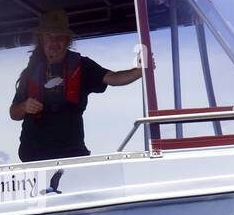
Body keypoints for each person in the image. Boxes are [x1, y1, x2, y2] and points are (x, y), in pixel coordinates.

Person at [9, 9, 146, 162]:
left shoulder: (83, 66)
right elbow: (14, 113)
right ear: (42, 39)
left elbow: (113, 78)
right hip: (33, 159)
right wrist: (24, 106)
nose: (54, 42)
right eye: (49, 36)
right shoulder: (30, 71)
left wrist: (140, 71)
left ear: (68, 40)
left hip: (72, 157)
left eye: (59, 37)